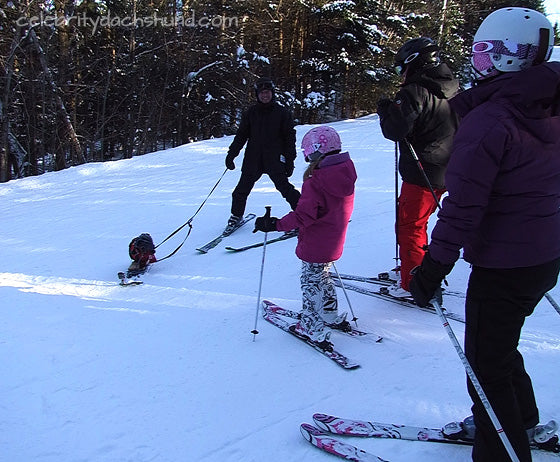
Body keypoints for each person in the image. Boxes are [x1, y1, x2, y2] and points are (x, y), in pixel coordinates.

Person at [409, 7, 560, 462]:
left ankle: (500, 451)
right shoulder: (546, 105)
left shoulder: (491, 120)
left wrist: (433, 268)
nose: (476, 61)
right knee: (499, 344)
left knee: (485, 362)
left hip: (504, 262)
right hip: (543, 254)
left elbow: (465, 207)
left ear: (512, 57)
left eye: (486, 51)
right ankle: (524, 417)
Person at [253, 126, 357, 349]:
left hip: (316, 243)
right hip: (333, 241)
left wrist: (275, 224)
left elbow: (304, 216)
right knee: (323, 276)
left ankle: (311, 326)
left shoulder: (316, 181)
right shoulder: (344, 171)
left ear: (315, 151)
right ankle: (329, 314)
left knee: (311, 282)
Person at [376, 37, 460, 297]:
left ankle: (413, 282)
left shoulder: (414, 91)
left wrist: (386, 112)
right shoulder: (452, 87)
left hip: (424, 170)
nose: (401, 74)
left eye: (401, 68)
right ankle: (418, 269)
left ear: (415, 62)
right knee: (421, 222)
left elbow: (395, 130)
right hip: (450, 167)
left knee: (410, 225)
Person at [224, 77, 301, 234]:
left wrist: (290, 160)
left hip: (274, 159)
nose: (265, 95)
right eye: (261, 93)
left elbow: (289, 138)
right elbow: (241, 136)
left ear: (272, 94)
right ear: (257, 95)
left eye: (267, 92)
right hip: (253, 159)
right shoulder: (251, 113)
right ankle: (236, 215)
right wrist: (231, 155)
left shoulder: (282, 113)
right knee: (240, 190)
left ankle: (303, 214)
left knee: (285, 188)